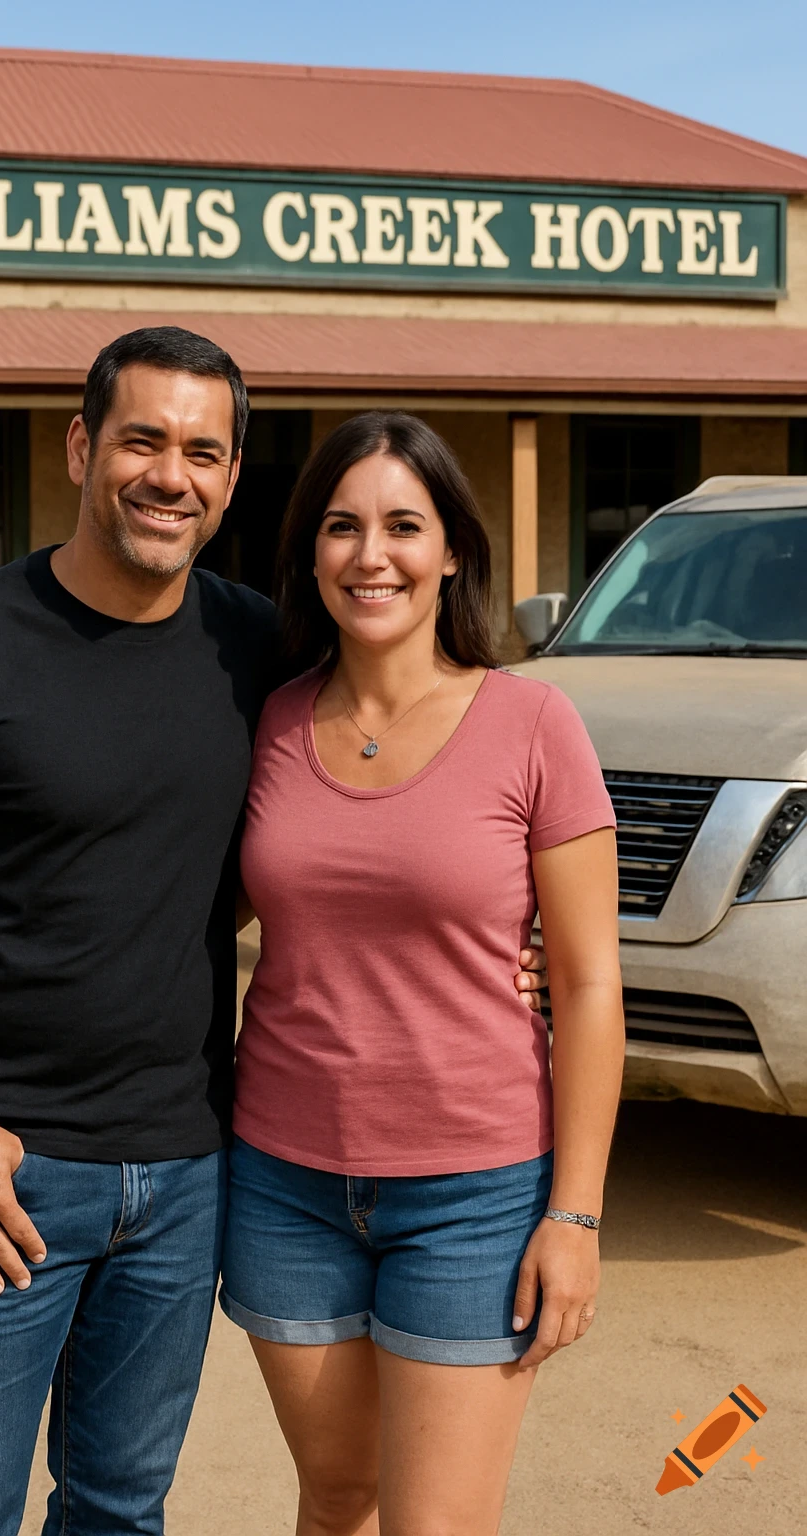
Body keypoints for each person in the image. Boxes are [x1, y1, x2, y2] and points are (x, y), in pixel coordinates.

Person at [0, 328, 547, 1536]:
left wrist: (490, 949)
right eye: (143, 440)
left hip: (189, 1169)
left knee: (118, 1506)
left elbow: (316, 845)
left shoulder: (257, 649)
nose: (171, 475)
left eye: (203, 452)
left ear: (232, 475)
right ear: (80, 446)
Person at [218, 411, 625, 1536]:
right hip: (282, 1182)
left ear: (452, 551)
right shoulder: (270, 720)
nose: (371, 553)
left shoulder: (535, 723)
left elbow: (589, 985)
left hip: (475, 1195)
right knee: (336, 1498)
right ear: (308, 552)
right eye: (342, 526)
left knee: (433, 1525)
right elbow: (183, 890)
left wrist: (576, 1219)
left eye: (405, 524)